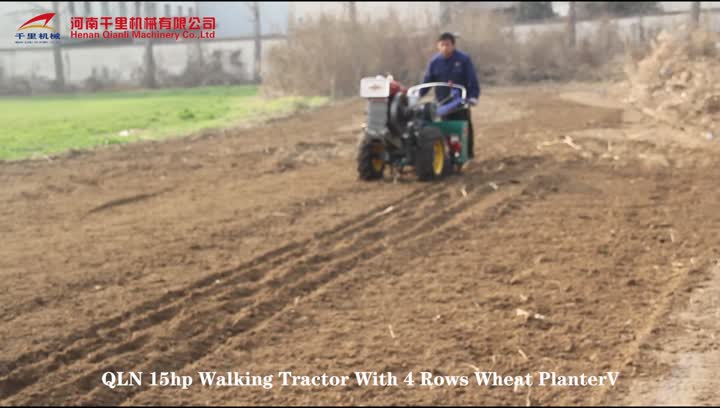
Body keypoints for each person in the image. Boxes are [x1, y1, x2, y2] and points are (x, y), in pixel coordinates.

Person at [421, 32, 480, 158]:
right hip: (443, 103)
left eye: (447, 45)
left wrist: (473, 96)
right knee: (446, 128)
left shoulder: (463, 59)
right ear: (438, 46)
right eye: (442, 45)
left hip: (460, 102)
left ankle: (468, 155)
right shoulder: (435, 62)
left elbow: (471, 79)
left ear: (453, 45)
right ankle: (451, 155)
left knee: (464, 127)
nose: (445, 48)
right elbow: (427, 81)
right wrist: (418, 94)